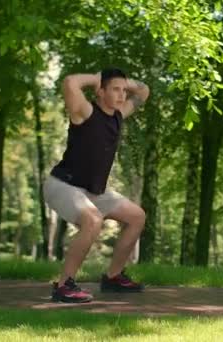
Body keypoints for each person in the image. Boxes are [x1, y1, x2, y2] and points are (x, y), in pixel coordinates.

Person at [44, 68, 150, 303]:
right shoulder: (84, 112)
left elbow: (143, 91)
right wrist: (97, 78)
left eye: (123, 91)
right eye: (115, 89)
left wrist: (123, 81)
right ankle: (64, 286)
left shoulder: (118, 115)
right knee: (93, 220)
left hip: (92, 191)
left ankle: (112, 277)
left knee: (137, 217)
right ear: (100, 91)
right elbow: (70, 81)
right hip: (62, 185)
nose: (122, 95)